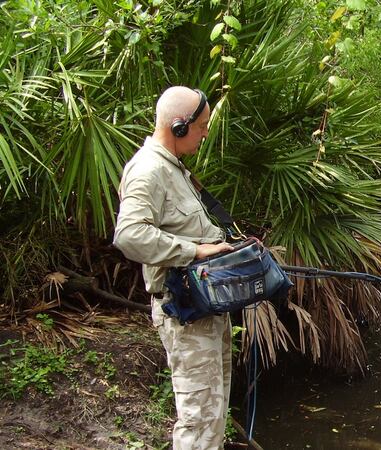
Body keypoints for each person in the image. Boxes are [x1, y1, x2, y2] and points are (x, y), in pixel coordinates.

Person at [114, 86, 235, 449]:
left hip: (207, 306)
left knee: (212, 414)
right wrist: (195, 252)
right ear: (179, 126)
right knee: (198, 420)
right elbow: (129, 235)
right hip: (183, 310)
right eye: (202, 126)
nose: (205, 133)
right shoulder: (148, 169)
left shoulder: (175, 168)